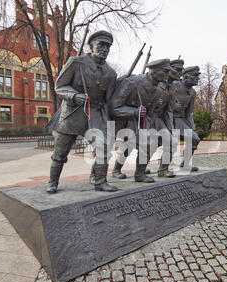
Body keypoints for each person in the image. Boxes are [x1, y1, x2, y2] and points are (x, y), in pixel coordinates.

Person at [46, 30, 118, 194]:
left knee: (104, 147)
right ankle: (52, 182)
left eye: (108, 46)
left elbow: (108, 101)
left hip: (95, 115)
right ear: (91, 45)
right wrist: (74, 95)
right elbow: (60, 86)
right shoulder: (76, 62)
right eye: (101, 45)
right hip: (73, 113)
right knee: (60, 151)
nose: (105, 49)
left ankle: (100, 181)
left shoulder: (111, 74)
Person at [110, 59, 172, 183]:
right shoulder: (133, 82)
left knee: (147, 143)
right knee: (128, 145)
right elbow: (114, 107)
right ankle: (109, 172)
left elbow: (150, 114)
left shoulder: (158, 91)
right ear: (154, 71)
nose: (167, 75)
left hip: (139, 122)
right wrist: (133, 112)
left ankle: (139, 174)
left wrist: (147, 128)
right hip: (121, 121)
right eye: (164, 71)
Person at [173, 66, 201, 172]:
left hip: (180, 121)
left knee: (194, 139)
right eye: (195, 76)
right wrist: (172, 106)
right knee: (160, 142)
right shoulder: (174, 86)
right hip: (167, 118)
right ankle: (162, 168)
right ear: (185, 76)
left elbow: (189, 112)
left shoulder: (193, 92)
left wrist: (192, 128)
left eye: (197, 77)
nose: (197, 79)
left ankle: (185, 164)